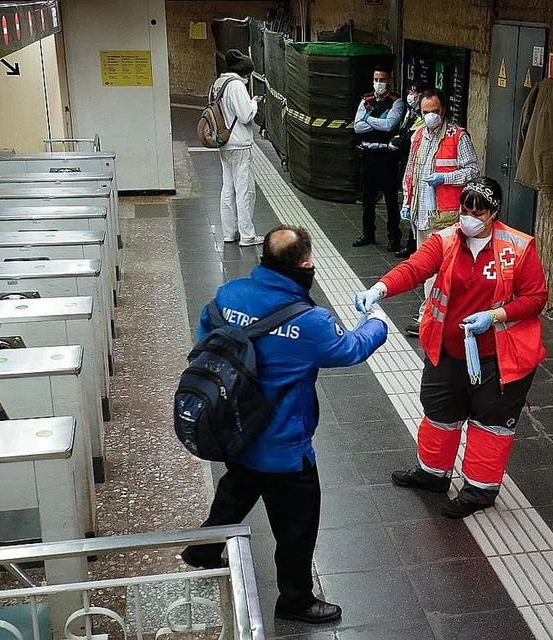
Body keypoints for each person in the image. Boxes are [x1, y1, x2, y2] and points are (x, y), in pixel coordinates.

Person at [182, 226, 389, 624]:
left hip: (235, 430)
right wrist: (377, 322)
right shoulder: (310, 321)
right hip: (284, 445)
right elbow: (351, 349)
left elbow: (204, 335)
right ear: (305, 263)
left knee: (238, 488)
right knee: (297, 525)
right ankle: (295, 599)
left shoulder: (230, 294)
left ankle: (204, 549)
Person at [354, 177, 547, 519]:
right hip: (447, 351)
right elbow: (415, 269)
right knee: (440, 414)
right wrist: (380, 289)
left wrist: (495, 315)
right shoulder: (446, 240)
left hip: (498, 358)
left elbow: (536, 298)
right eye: (464, 209)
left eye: (478, 211)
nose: (469, 217)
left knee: (490, 425)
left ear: (494, 212)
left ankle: (479, 490)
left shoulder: (517, 247)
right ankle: (432, 474)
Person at [399, 89, 479, 337]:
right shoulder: (419, 136)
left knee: (440, 269)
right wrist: (406, 198)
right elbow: (411, 169)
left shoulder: (458, 137)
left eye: (434, 111)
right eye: (426, 112)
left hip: (444, 217)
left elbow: (473, 171)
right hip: (421, 215)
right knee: (427, 268)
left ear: (443, 110)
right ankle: (435, 312)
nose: (431, 116)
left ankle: (429, 315)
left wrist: (446, 177)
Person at [211, 49, 264, 246]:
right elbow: (246, 115)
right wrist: (254, 103)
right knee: (245, 190)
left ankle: (229, 232)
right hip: (240, 144)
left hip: (223, 142)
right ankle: (247, 235)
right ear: (244, 72)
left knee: (227, 189)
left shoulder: (218, 84)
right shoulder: (236, 86)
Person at [352, 65, 405, 252]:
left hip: (386, 156)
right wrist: (376, 123)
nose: (378, 84)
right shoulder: (365, 99)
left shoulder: (396, 101)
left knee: (391, 198)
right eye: (376, 80)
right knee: (367, 198)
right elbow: (357, 127)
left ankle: (394, 237)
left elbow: (390, 125)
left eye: (382, 80)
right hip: (367, 154)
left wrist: (368, 119)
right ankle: (368, 234)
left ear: (389, 81)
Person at [391, 79, 427, 259]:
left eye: (416, 93)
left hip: (422, 172)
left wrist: (400, 141)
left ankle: (415, 246)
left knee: (418, 211)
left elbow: (410, 138)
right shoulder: (411, 112)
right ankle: (411, 244)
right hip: (408, 165)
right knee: (410, 208)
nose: (412, 97)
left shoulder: (424, 118)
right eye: (411, 92)